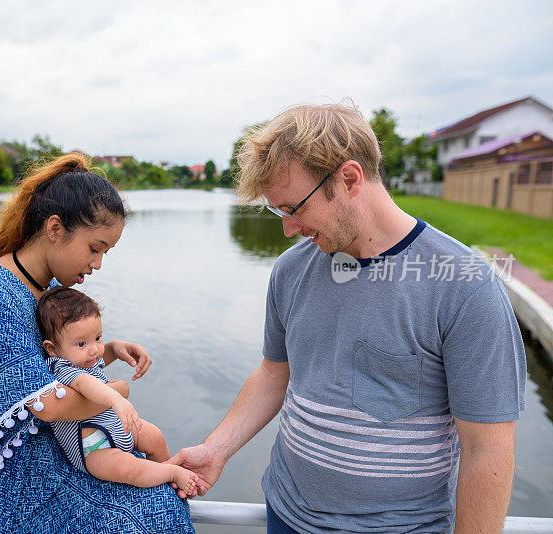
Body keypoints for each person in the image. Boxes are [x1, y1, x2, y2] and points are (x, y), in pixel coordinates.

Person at [167, 102, 526, 533]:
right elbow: (273, 373)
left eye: (293, 208)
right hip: (287, 515)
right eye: (278, 211)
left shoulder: (465, 286)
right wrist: (217, 449)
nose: (287, 228)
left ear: (349, 179)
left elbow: (487, 449)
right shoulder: (291, 270)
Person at [0, 153, 194, 534]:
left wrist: (111, 349)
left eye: (106, 252)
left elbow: (61, 366)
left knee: (159, 503)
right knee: (140, 518)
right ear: (55, 228)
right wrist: (116, 390)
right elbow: (46, 406)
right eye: (95, 248)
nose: (99, 264)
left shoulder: (50, 291)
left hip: (49, 452)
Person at [36, 286, 199, 495]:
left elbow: (97, 361)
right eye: (82, 343)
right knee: (129, 468)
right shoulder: (61, 368)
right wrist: (116, 399)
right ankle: (171, 473)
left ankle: (171, 479)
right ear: (52, 349)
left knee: (155, 436)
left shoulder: (81, 358)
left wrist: (116, 347)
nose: (94, 349)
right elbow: (86, 384)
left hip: (117, 426)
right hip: (93, 449)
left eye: (98, 338)